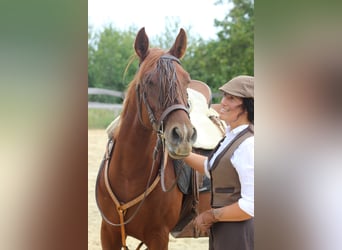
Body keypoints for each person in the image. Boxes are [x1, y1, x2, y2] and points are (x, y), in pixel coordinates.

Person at [184, 75, 254, 250]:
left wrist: (210, 216)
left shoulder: (249, 144)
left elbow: (251, 205)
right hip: (224, 227)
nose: (223, 102)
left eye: (231, 98)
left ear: (247, 105)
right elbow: (211, 167)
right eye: (224, 96)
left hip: (240, 231)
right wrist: (181, 154)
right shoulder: (232, 136)